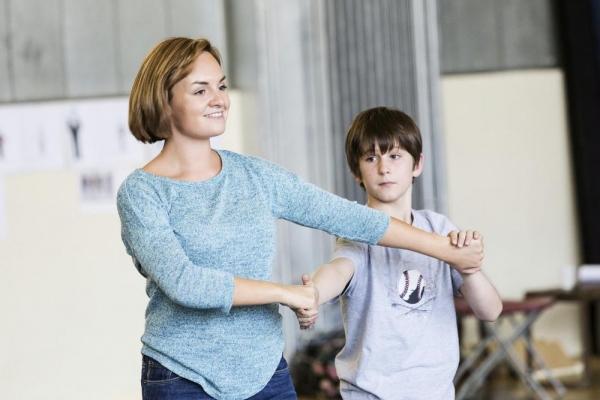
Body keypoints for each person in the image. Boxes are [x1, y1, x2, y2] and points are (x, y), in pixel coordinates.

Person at [117, 37, 484, 400]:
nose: (219, 100)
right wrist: (285, 293)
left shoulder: (258, 177)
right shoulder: (142, 192)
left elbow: (350, 218)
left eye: (222, 86)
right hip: (181, 376)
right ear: (163, 101)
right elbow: (187, 284)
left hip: (264, 371)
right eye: (201, 90)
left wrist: (447, 251)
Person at [296, 107, 502, 399]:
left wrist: (469, 269)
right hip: (371, 393)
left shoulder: (439, 228)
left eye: (394, 156)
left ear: (417, 164)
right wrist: (313, 292)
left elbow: (491, 311)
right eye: (371, 158)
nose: (383, 168)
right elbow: (339, 269)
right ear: (357, 171)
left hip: (436, 392)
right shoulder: (356, 233)